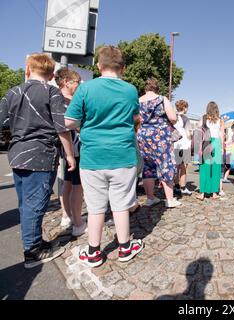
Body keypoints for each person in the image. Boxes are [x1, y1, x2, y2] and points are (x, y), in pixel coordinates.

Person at [65, 46, 144, 267]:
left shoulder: (86, 88)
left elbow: (69, 122)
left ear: (99, 66)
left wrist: (86, 126)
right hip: (123, 155)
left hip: (93, 157)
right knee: (120, 204)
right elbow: (136, 117)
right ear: (123, 68)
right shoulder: (130, 90)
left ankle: (93, 252)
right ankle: (125, 248)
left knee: (96, 206)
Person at [0, 53, 75, 268]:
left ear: (27, 70)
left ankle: (34, 241)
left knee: (26, 204)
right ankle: (33, 252)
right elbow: (62, 128)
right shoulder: (52, 92)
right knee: (35, 205)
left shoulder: (12, 92)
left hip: (17, 155)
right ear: (52, 75)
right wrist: (69, 155)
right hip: (41, 155)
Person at [137, 77, 181, 208]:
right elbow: (172, 118)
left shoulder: (138, 101)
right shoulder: (162, 99)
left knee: (147, 167)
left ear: (146, 88)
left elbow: (135, 119)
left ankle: (150, 198)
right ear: (157, 88)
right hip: (160, 136)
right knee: (165, 164)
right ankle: (170, 199)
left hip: (143, 136)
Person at [54, 68, 87, 237]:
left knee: (67, 183)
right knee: (77, 186)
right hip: (74, 147)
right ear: (67, 82)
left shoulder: (54, 98)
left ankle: (66, 216)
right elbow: (75, 126)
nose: (79, 85)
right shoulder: (69, 101)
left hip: (63, 148)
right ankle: (78, 223)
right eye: (76, 82)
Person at [197, 102, 224, 200]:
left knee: (204, 168)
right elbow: (222, 135)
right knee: (216, 169)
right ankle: (214, 193)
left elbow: (199, 133)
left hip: (206, 142)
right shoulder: (220, 120)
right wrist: (222, 148)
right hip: (216, 142)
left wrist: (199, 147)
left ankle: (202, 193)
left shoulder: (203, 118)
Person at [173, 100, 193, 196]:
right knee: (184, 167)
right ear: (184, 107)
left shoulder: (173, 117)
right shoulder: (185, 118)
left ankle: (176, 186)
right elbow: (189, 133)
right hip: (184, 144)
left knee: (176, 166)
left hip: (175, 144)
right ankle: (183, 187)